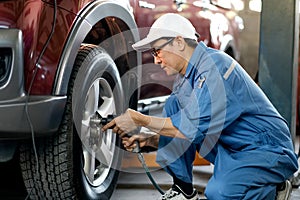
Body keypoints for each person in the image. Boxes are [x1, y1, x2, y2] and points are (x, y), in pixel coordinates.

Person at [102, 13, 298, 200]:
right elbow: (190, 127)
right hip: (230, 146)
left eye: (157, 51)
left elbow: (192, 126)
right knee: (173, 105)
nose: (156, 60)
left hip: (265, 149)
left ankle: (275, 188)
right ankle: (183, 190)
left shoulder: (215, 67)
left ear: (179, 42)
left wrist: (139, 119)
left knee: (220, 194)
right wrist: (151, 141)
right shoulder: (185, 78)